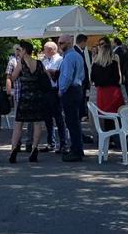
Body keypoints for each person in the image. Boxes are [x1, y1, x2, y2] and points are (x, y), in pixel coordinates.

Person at [9, 41, 46, 163]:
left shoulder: (21, 63)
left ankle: (14, 149)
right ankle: (34, 148)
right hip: (37, 97)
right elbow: (46, 77)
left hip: (25, 96)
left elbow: (13, 77)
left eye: (20, 49)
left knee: (18, 124)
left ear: (24, 50)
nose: (19, 52)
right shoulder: (39, 63)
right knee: (37, 124)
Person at [58, 34, 85, 162]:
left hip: (71, 90)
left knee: (72, 121)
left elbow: (67, 77)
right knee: (74, 121)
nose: (59, 45)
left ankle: (76, 150)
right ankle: (78, 148)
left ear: (68, 43)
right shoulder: (77, 56)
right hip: (77, 89)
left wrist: (61, 90)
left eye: (61, 43)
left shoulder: (69, 57)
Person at [91, 37, 125, 124]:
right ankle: (117, 135)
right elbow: (117, 77)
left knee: (105, 117)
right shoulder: (114, 62)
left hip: (102, 92)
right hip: (113, 91)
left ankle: (107, 135)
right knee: (117, 116)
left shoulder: (95, 64)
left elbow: (92, 78)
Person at [41, 41, 67, 154]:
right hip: (46, 90)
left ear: (52, 50)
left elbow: (58, 74)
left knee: (58, 118)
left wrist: (50, 72)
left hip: (55, 90)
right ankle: (50, 142)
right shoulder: (44, 61)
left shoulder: (60, 60)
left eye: (45, 49)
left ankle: (63, 143)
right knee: (47, 118)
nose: (44, 51)